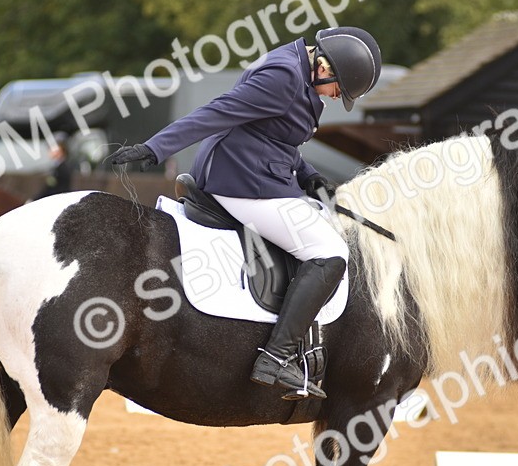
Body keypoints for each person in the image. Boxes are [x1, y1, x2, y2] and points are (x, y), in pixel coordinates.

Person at [105, 27, 382, 400]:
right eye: (338, 90)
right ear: (325, 67)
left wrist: (308, 175)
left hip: (258, 170)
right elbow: (219, 112)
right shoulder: (283, 76)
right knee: (330, 253)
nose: (335, 97)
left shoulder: (298, 70)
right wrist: (156, 147)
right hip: (241, 182)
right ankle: (276, 357)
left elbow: (273, 134)